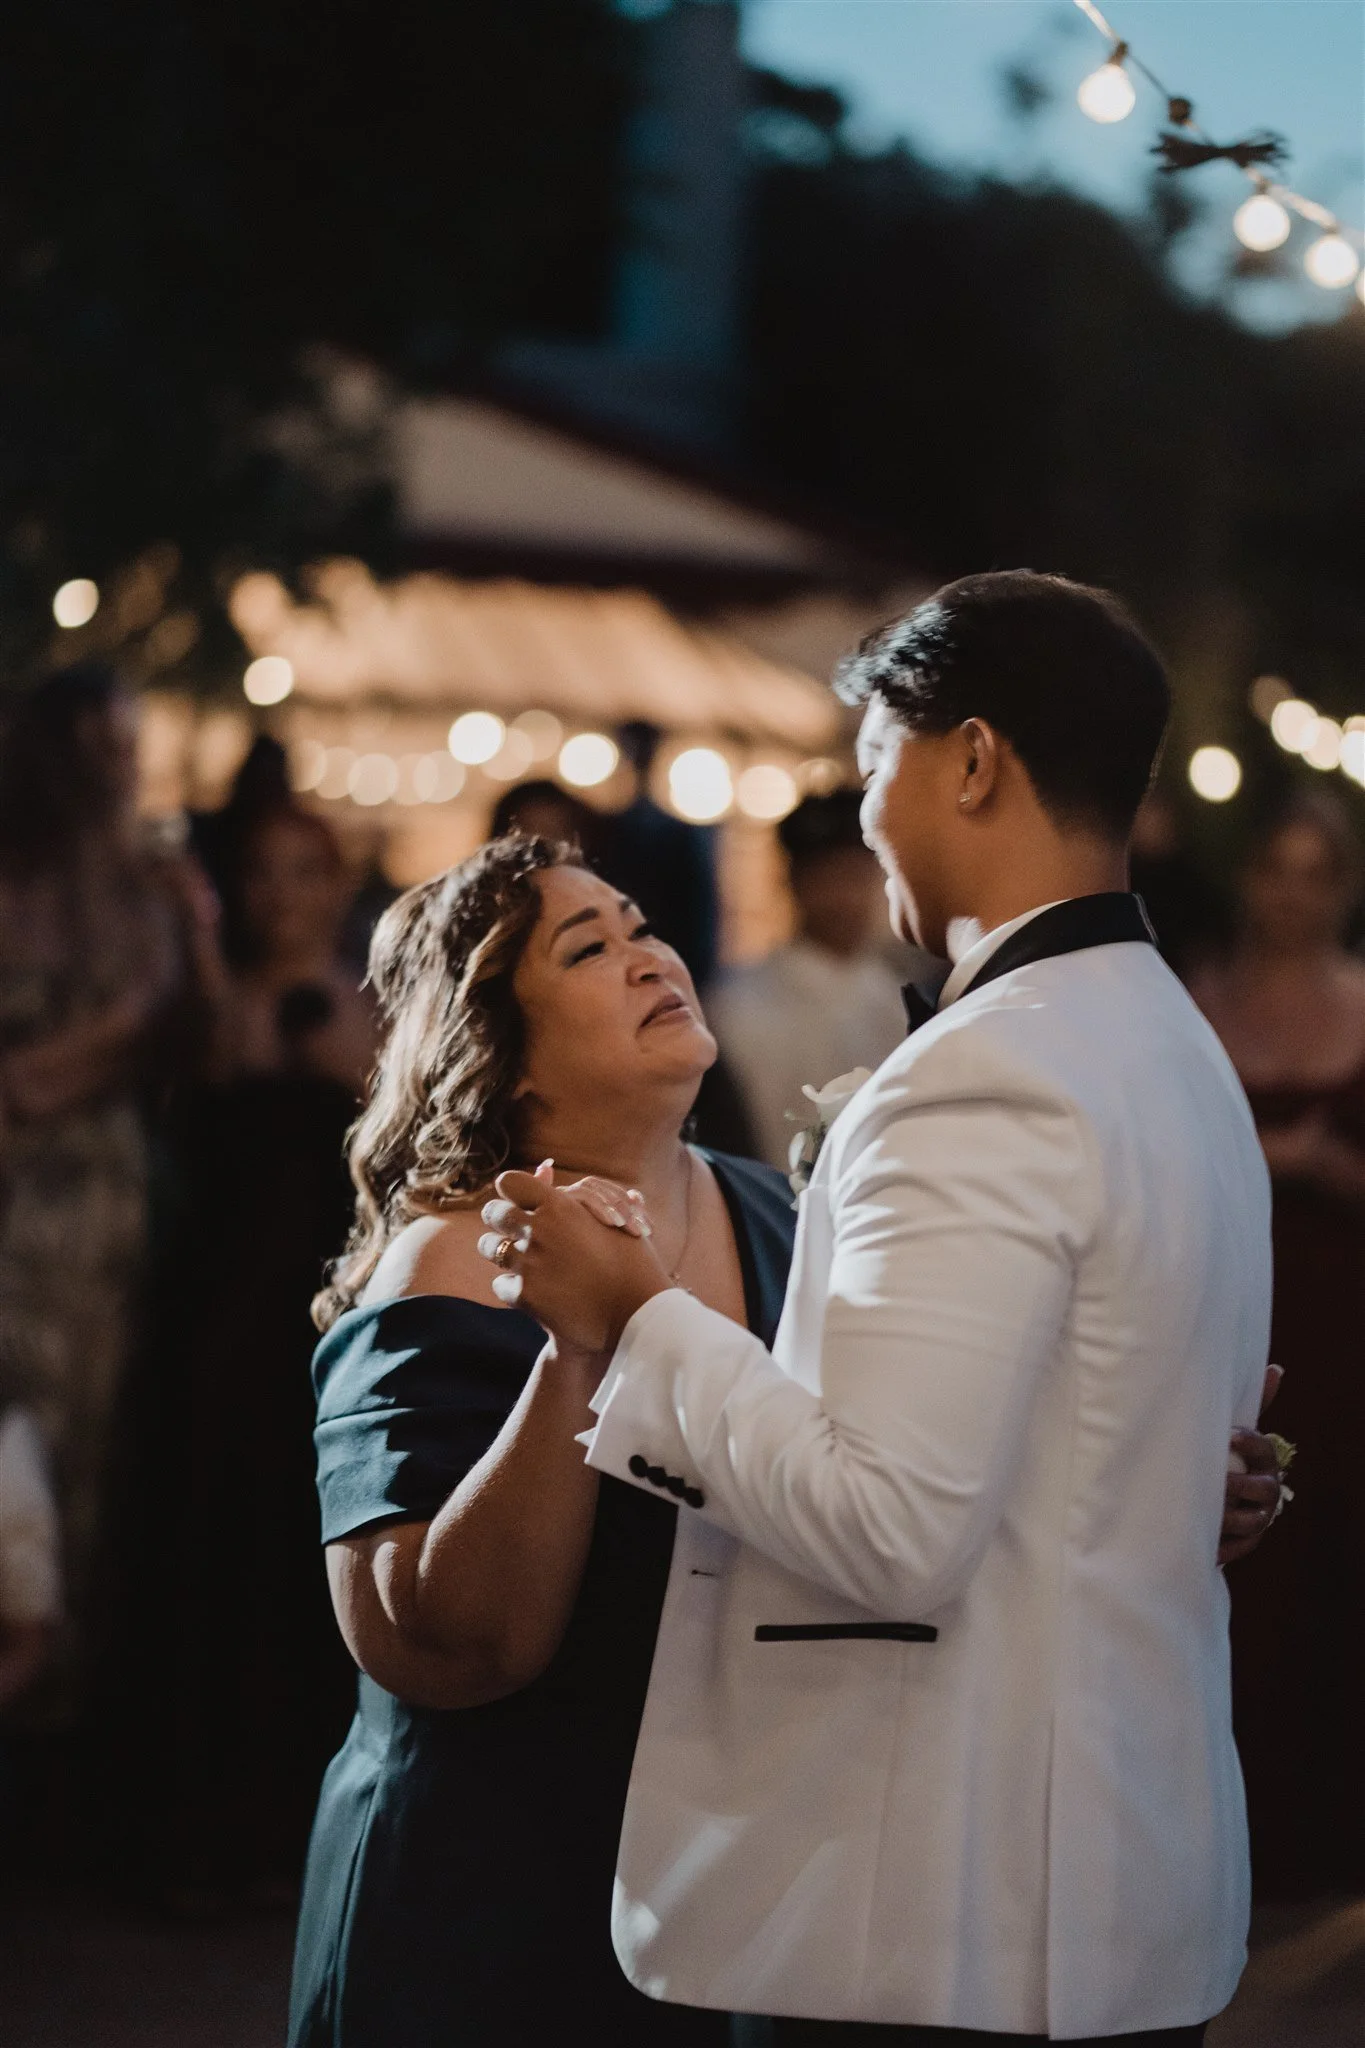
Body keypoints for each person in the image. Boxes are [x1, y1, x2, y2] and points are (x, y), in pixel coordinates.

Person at [488, 572, 1277, 2044]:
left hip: (940, 1909)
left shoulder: (989, 1072)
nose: (862, 817)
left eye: (872, 767)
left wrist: (635, 1315)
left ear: (971, 761)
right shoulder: (1178, 1047)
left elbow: (891, 1523)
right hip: (1121, 1880)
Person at [288, 835, 794, 2046]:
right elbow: (438, 1644)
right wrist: (578, 1351)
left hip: (714, 1871)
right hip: (485, 1893)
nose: (648, 956)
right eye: (588, 947)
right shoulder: (447, 1265)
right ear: (504, 1058)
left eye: (640, 925)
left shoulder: (779, 1213)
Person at [112, 803, 371, 1906]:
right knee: (203, 1542)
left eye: (304, 872)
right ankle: (193, 1823)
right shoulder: (212, 1001)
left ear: (337, 884)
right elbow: (209, 1070)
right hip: (210, 1312)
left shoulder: (368, 1004)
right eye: (263, 873)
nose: (283, 895)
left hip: (316, 1321)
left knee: (292, 1556)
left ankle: (287, 1828)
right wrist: (199, 935)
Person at [0, 664, 189, 1710]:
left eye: (130, 746)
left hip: (95, 1197)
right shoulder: (22, 873)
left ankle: (56, 1683)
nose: (121, 769)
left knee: (84, 1430)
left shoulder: (140, 881)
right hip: (21, 1182)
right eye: (102, 748)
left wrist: (43, 1076)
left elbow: (169, 1034)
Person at [1192, 792, 1365, 1898]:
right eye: (1275, 869)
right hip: (1228, 1323)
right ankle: (1236, 1827)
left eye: (1316, 873)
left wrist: (1323, 1170)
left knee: (1338, 1550)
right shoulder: (1195, 1001)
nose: (1292, 895)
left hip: (1344, 1322)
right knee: (1242, 1555)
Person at [709, 791, 910, 1170]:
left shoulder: (894, 996)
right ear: (793, 883)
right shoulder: (739, 1006)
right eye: (828, 879)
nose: (845, 899)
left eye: (856, 877)